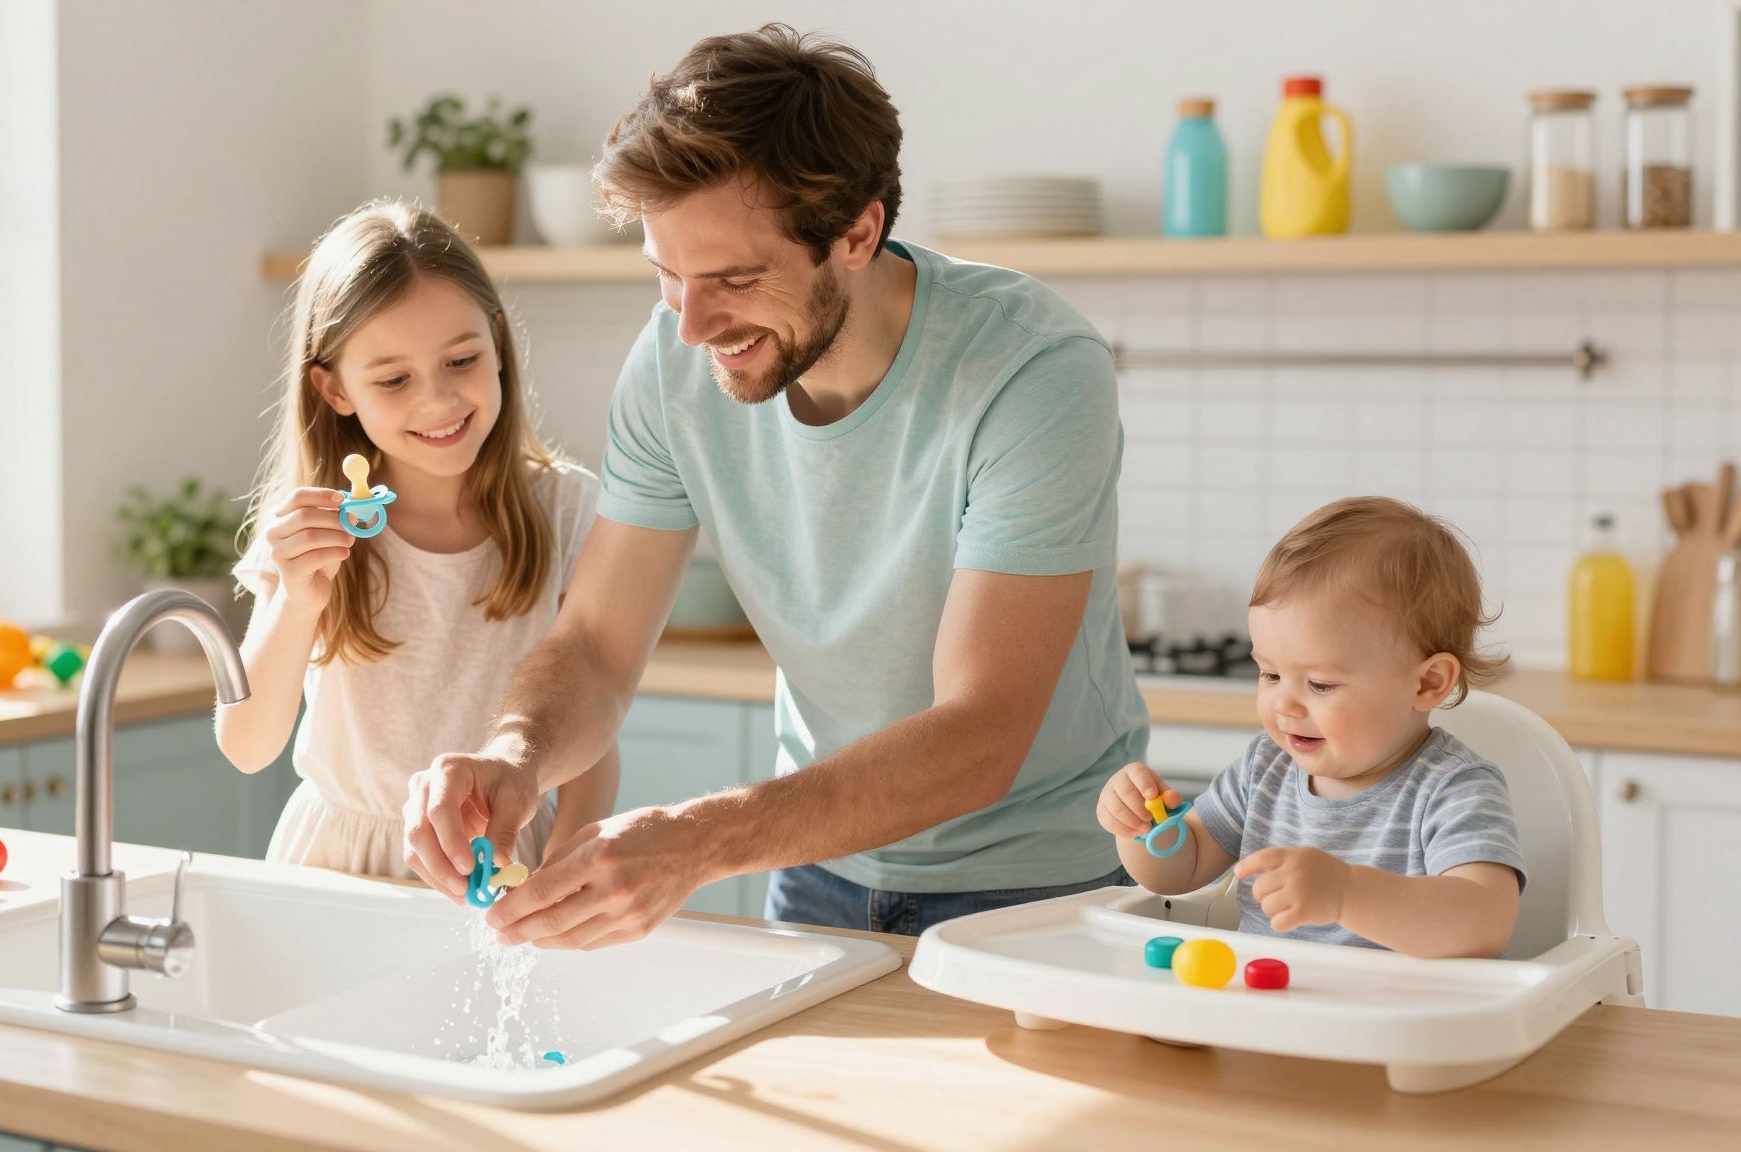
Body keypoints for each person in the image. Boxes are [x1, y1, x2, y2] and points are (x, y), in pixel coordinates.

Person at [404, 25, 1148, 945]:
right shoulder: (675, 362)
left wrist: (693, 840)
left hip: (1039, 888)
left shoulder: (1030, 371)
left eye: (733, 280)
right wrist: (513, 755)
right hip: (813, 873)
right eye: (667, 276)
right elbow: (597, 642)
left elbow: (979, 733)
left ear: (858, 233)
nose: (691, 326)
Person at [215, 199, 618, 879]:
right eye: (394, 379)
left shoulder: (569, 511)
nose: (438, 400)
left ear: (498, 346)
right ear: (334, 390)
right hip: (340, 866)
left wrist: (565, 863)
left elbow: (593, 731)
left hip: (507, 855)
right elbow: (247, 747)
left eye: (461, 360)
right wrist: (296, 602)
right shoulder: (307, 525)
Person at [1099, 497, 1525, 958]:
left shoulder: (1453, 788)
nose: (1283, 703)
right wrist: (1141, 828)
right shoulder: (1266, 767)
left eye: (1320, 684)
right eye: (1270, 674)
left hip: (1395, 1021)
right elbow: (1181, 871)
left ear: (1427, 683)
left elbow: (1483, 924)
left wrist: (1347, 894)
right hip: (1269, 1015)